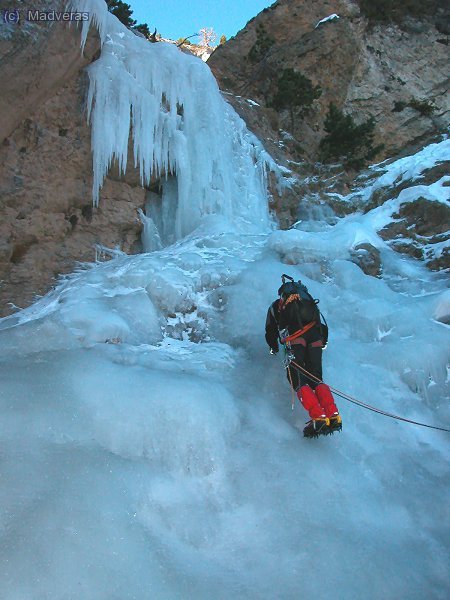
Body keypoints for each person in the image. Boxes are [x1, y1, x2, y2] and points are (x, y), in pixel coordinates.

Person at [265, 275, 342, 438]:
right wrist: (322, 344)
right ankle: (333, 415)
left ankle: (318, 417)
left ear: (282, 295)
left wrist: (274, 349)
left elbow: (270, 331)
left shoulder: (276, 307)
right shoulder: (309, 304)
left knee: (297, 380)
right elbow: (322, 326)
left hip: (294, 341)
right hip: (315, 339)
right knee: (316, 379)